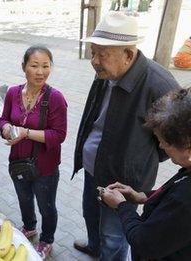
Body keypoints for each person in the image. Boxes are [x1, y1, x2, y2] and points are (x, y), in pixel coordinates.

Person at [72, 12, 181, 260]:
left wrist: (137, 161)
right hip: (93, 169)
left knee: (114, 236)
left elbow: (173, 142)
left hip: (124, 181)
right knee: (91, 215)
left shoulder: (160, 84)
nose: (94, 61)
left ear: (128, 55)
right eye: (93, 52)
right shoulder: (105, 71)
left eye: (102, 54)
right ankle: (94, 246)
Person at [100, 88, 191, 261]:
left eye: (164, 141)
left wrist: (122, 206)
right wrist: (143, 196)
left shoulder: (186, 201)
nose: (162, 147)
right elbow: (175, 189)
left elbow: (143, 242)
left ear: (188, 148)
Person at [0, 46, 67, 259]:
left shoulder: (55, 98)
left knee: (47, 206)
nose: (40, 72)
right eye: (34, 65)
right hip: (18, 161)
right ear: (24, 67)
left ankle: (47, 239)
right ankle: (29, 227)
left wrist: (26, 133)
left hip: (45, 167)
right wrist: (6, 129)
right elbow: (4, 119)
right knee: (24, 199)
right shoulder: (12, 92)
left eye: (45, 66)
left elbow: (58, 135)